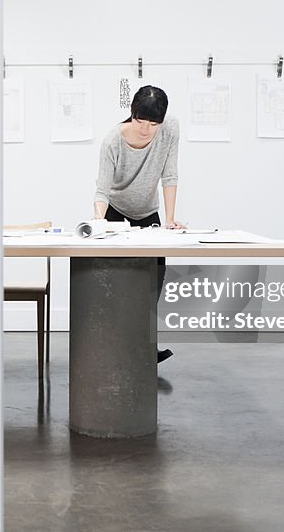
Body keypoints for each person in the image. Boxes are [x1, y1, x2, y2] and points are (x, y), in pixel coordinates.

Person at [93, 85, 184, 363]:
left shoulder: (170, 130)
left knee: (154, 278)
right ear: (131, 114)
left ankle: (142, 343)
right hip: (116, 214)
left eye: (153, 124)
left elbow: (170, 174)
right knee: (117, 282)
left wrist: (169, 219)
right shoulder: (113, 141)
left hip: (148, 213)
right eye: (140, 121)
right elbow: (102, 191)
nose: (146, 129)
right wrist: (99, 222)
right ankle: (114, 343)